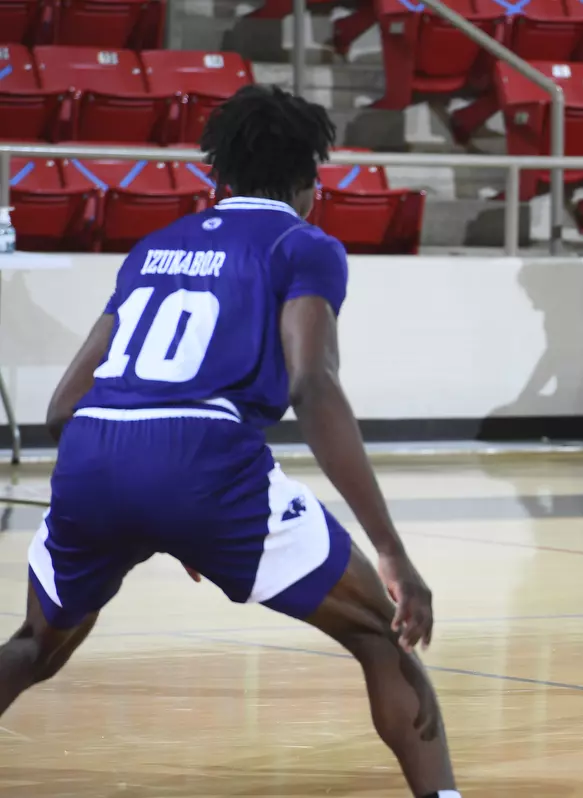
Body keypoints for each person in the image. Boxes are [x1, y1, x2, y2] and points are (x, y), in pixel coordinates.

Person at [0, 86, 460, 798]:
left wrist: (146, 511)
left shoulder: (153, 247)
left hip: (94, 451)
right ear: (311, 186)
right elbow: (312, 386)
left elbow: (64, 405)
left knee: (34, 647)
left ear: (218, 177)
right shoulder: (303, 245)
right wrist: (391, 550)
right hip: (205, 462)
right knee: (379, 633)